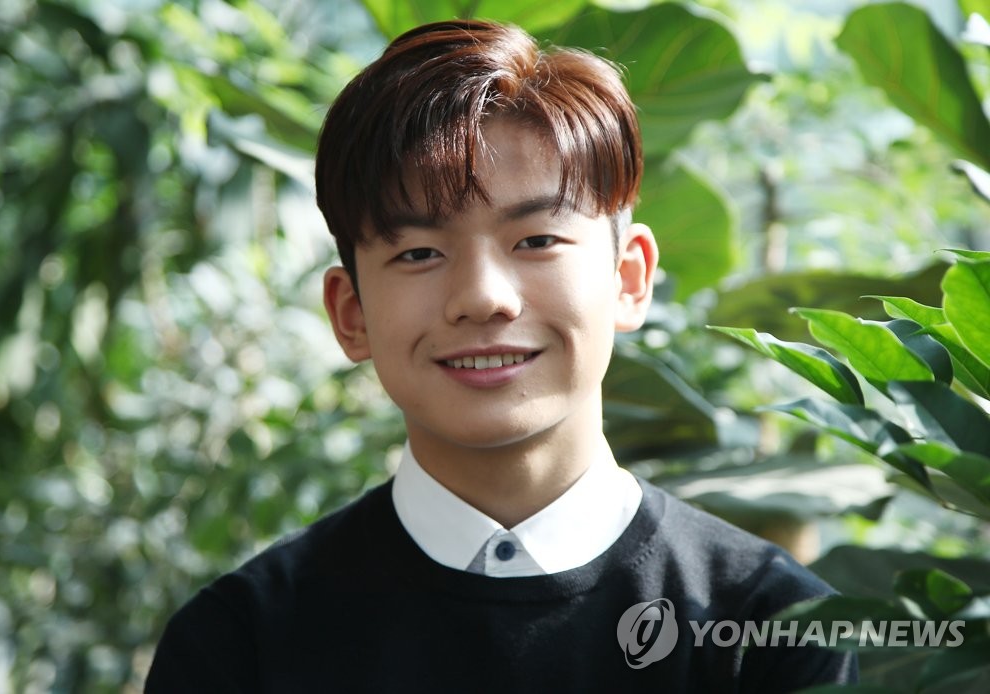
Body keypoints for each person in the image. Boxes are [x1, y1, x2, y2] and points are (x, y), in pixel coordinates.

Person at [146, 19, 857, 692]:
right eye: (419, 253)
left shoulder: (778, 632)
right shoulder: (237, 646)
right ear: (351, 313)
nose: (482, 297)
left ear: (629, 279)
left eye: (537, 240)